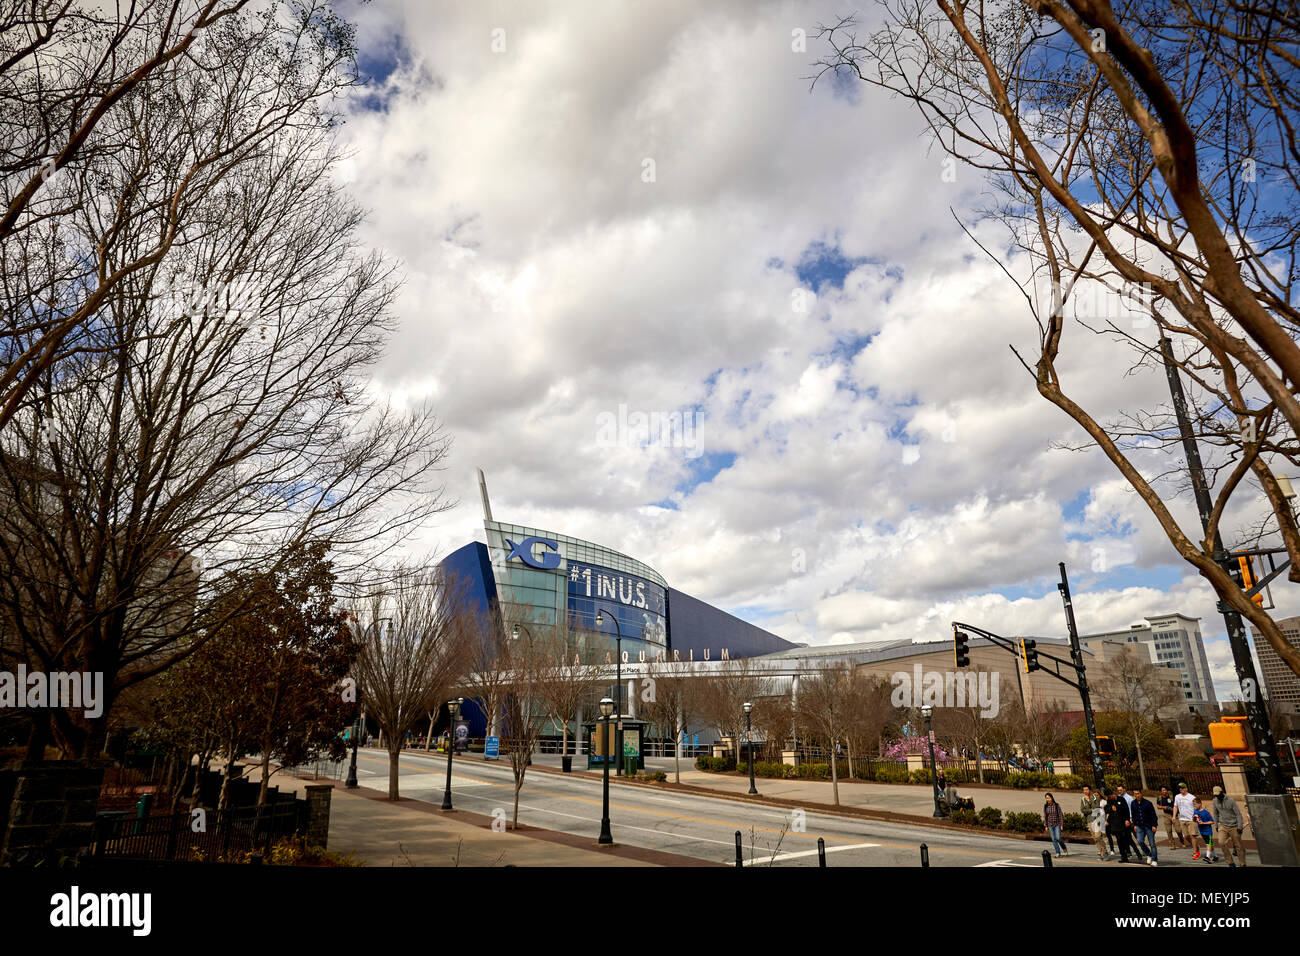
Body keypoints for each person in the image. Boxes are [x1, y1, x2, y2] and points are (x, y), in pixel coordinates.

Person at [1212, 786, 1249, 867]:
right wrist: (1216, 825)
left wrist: (1240, 826)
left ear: (1222, 792)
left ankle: (1242, 863)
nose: (1217, 797)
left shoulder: (1231, 801)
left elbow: (1238, 814)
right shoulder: (1215, 801)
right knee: (1221, 842)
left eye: (1218, 795)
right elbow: (1215, 814)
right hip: (1223, 825)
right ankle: (1230, 862)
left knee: (1238, 846)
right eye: (1215, 795)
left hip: (1234, 826)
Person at [1105, 789, 1137, 862]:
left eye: (1110, 796)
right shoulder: (1109, 801)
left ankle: (1134, 853)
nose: (1109, 798)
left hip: (1123, 822)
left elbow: (1126, 810)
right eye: (1108, 797)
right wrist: (1108, 820)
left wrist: (1127, 819)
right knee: (1119, 840)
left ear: (1113, 794)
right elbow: (1108, 811)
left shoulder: (1121, 799)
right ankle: (1123, 857)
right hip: (1115, 824)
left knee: (1126, 839)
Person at [1130, 789, 1159, 867]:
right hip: (1139, 826)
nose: (1137, 795)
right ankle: (1148, 854)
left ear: (1141, 793)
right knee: (1140, 841)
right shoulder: (1133, 803)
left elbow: (1153, 815)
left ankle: (1154, 860)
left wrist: (1154, 825)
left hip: (1149, 826)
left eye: (1138, 793)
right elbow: (1134, 815)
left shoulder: (1148, 803)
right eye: (1135, 794)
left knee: (1152, 843)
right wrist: (1135, 825)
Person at [1174, 782, 1202, 858]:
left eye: (1183, 788)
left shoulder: (1191, 797)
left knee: (1193, 836)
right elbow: (1175, 807)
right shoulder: (1177, 797)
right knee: (1186, 836)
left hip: (1191, 819)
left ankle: (1196, 852)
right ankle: (1196, 846)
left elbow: (1198, 806)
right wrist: (1174, 816)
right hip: (1182, 819)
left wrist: (1197, 815)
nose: (1181, 789)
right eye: (1180, 788)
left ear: (1186, 788)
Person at [1081, 786, 1109, 860]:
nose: (1085, 791)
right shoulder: (1083, 799)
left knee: (1098, 836)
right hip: (1089, 820)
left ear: (1090, 790)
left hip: (1097, 819)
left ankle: (1105, 853)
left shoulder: (1095, 797)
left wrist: (1090, 806)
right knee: (1095, 839)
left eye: (1086, 789)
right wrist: (1091, 810)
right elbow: (1083, 810)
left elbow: (1096, 807)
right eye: (1084, 790)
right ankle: (1102, 854)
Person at [1043, 793, 1067, 857]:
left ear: (1052, 798)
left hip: (1057, 824)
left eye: (1049, 798)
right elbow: (1045, 816)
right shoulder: (1045, 806)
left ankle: (1064, 848)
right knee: (1053, 839)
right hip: (1050, 824)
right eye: (1046, 798)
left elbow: (1060, 815)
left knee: (1058, 838)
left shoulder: (1056, 805)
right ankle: (1058, 852)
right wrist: (1046, 826)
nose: (1048, 799)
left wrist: (1061, 825)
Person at [1192, 798, 1216, 862]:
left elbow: (1212, 821)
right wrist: (1194, 817)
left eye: (1195, 804)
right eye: (1194, 805)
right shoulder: (1195, 811)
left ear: (1200, 803)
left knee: (1208, 843)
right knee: (1209, 843)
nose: (1195, 806)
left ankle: (1207, 857)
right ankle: (1215, 856)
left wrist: (1204, 823)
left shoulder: (1206, 812)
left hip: (1208, 831)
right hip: (1201, 831)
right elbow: (1194, 820)